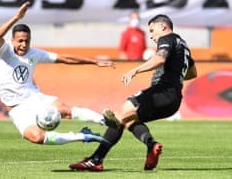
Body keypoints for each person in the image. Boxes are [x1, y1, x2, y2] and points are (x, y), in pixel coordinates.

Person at [69, 14, 197, 171]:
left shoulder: (167, 38)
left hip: (162, 92)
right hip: (174, 100)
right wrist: (174, 76)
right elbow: (192, 73)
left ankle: (96, 160)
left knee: (119, 115)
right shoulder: (183, 45)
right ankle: (151, 145)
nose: (151, 36)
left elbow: (160, 59)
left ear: (162, 27)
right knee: (128, 121)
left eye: (152, 30)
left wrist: (135, 70)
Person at [0, 1, 116, 145]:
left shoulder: (34, 53)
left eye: (27, 41)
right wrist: (16, 17)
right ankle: (82, 136)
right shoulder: (4, 51)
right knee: (36, 137)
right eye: (20, 41)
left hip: (33, 97)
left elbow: (65, 58)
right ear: (12, 40)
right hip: (16, 109)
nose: (24, 45)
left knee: (64, 110)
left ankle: (104, 120)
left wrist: (94, 62)